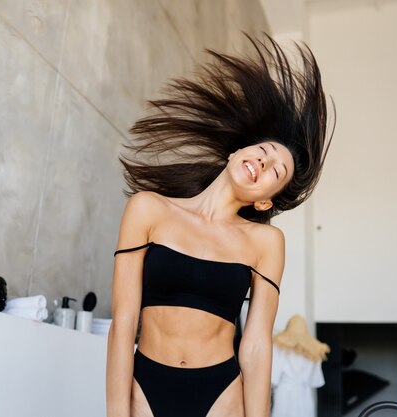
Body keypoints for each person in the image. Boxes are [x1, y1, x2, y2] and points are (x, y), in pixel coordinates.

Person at [107, 34, 333, 417]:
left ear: (265, 200)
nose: (262, 163)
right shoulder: (148, 209)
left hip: (221, 394)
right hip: (145, 386)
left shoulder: (266, 242)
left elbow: (257, 344)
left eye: (275, 172)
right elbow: (124, 322)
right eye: (261, 151)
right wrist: (116, 411)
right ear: (236, 153)